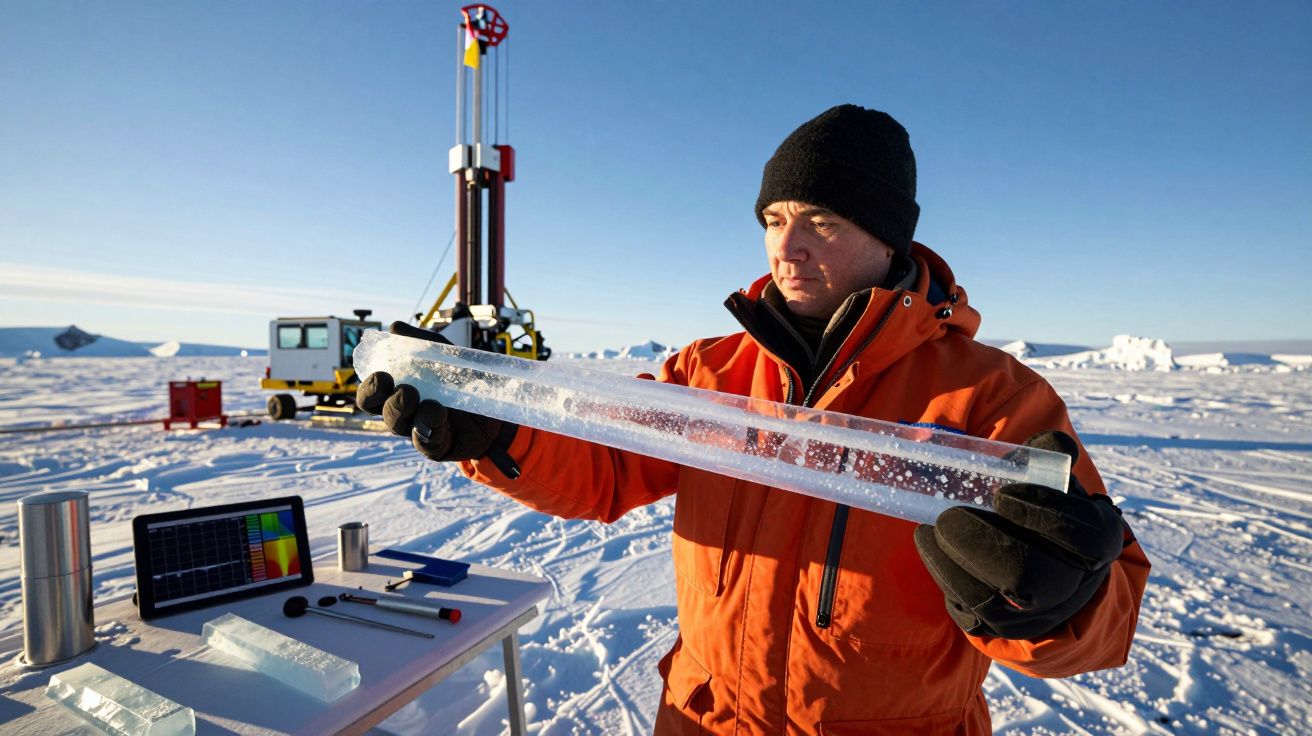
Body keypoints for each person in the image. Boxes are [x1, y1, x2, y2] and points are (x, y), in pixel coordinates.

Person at [358, 104, 1150, 735]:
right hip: (705, 721)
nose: (787, 248)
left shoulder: (991, 397)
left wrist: (1059, 602)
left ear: (888, 238)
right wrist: (501, 435)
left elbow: (1108, 617)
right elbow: (606, 470)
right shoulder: (709, 373)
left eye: (822, 221)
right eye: (774, 218)